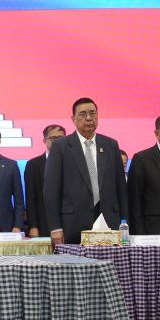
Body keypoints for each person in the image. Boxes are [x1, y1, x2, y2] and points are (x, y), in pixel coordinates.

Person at [44, 97, 128, 245]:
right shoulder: (61, 146)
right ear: (73, 119)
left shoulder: (110, 145)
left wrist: (124, 222)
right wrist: (55, 227)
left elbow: (121, 187)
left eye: (92, 113)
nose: (89, 118)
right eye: (83, 114)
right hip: (73, 223)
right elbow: (51, 190)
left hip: (109, 222)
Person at [23, 124, 64, 238]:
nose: (57, 142)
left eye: (61, 138)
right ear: (45, 141)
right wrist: (33, 226)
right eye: (53, 138)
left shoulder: (73, 162)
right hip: (44, 223)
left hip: (69, 222)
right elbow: (31, 198)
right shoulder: (33, 165)